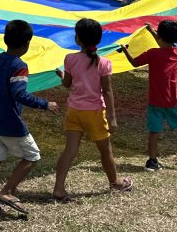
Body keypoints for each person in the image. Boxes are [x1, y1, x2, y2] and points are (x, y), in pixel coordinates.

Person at [0, 20, 60, 215]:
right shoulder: (19, 66)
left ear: (5, 39)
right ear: (27, 44)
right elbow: (20, 94)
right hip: (11, 122)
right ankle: (7, 191)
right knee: (32, 156)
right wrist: (45, 104)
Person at [52, 18, 132, 201]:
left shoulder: (70, 59)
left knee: (69, 150)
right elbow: (107, 91)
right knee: (105, 151)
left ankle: (58, 188)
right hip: (95, 113)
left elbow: (67, 84)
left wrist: (62, 75)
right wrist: (112, 118)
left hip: (74, 111)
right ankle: (116, 182)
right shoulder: (104, 63)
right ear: (99, 39)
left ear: (78, 39)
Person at [119, 21, 177, 170]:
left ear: (159, 36)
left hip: (155, 101)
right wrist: (153, 31)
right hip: (173, 101)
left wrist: (125, 50)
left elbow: (134, 63)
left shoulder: (153, 53)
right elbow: (164, 44)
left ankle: (152, 161)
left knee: (154, 131)